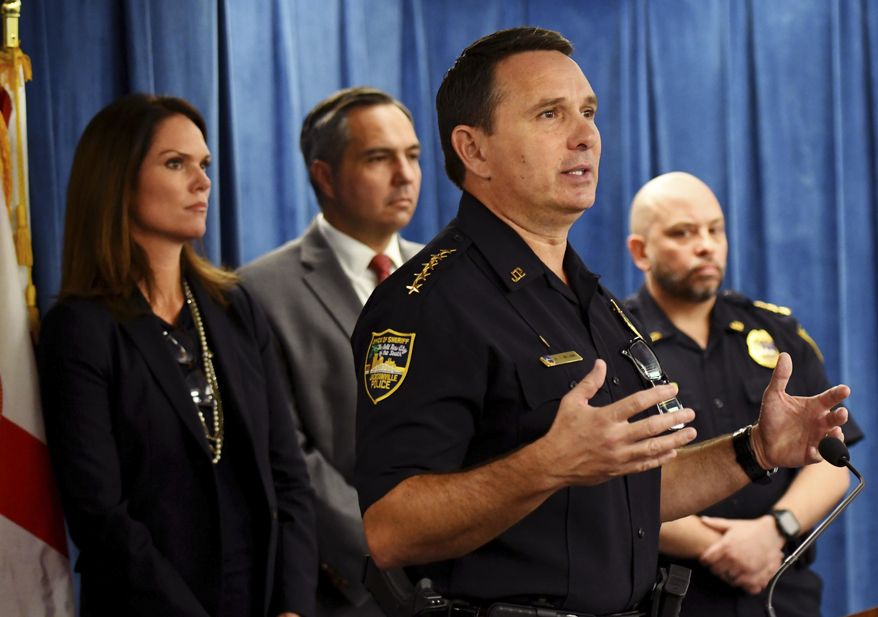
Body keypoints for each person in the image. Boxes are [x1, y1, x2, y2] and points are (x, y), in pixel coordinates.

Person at [351, 26, 851, 616]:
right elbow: (391, 531)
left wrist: (756, 450)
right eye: (549, 114)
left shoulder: (590, 296)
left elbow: (634, 487)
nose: (586, 135)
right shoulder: (426, 300)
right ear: (474, 149)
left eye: (588, 113)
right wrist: (547, 464)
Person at [38, 94, 318, 617]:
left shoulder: (236, 309)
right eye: (176, 164)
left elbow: (289, 477)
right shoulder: (80, 330)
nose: (202, 182)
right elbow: (101, 518)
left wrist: (292, 607)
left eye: (204, 164)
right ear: (118, 181)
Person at [623, 171, 863, 617]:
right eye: (683, 232)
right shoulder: (614, 341)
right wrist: (725, 548)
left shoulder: (776, 331)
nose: (705, 245)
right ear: (641, 251)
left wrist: (772, 532)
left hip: (781, 592)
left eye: (715, 230)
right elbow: (607, 486)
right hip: (670, 597)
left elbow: (833, 458)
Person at [239, 86, 423, 617]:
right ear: (324, 175)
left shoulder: (447, 273)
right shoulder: (257, 291)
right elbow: (290, 455)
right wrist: (391, 547)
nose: (405, 174)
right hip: (347, 588)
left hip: (464, 575)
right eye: (378, 158)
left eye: (411, 156)